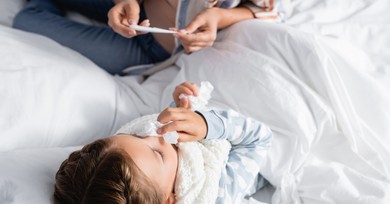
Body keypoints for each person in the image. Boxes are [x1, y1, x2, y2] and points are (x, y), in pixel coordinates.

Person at [53, 81, 273, 204]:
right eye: (157, 154)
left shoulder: (150, 172)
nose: (152, 133)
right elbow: (259, 139)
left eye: (137, 136)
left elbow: (159, 132)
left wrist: (179, 109)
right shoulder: (216, 197)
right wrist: (207, 124)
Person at [13, 0, 291, 75]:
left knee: (26, 19)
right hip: (134, 7)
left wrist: (219, 17)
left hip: (147, 49)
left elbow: (274, 11)